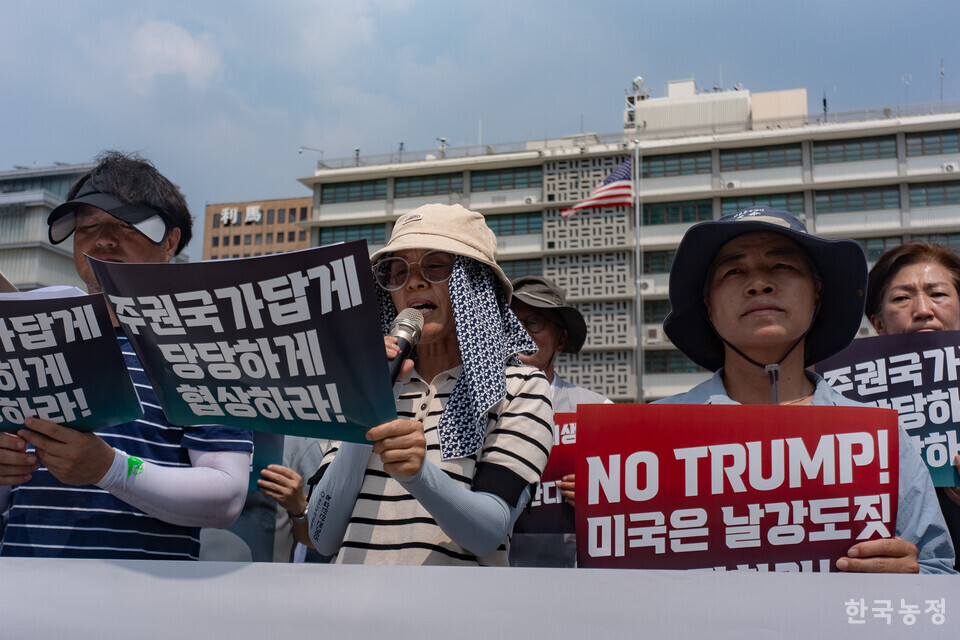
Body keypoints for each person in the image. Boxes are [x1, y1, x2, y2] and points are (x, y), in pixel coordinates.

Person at [655, 206, 954, 574]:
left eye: (782, 266)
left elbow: (939, 568)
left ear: (817, 295)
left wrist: (912, 574)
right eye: (733, 271)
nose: (759, 284)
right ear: (709, 307)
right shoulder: (651, 434)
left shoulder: (881, 433)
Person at [0, 151, 253, 560]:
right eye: (88, 226)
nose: (103, 239)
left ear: (170, 242)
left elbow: (226, 496)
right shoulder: (25, 339)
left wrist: (111, 468)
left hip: (145, 596)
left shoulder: (206, 348)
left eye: (125, 225)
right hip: (20, 585)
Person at [306, 203, 554, 565]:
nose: (414, 282)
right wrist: (372, 402)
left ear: (476, 283)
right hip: (351, 601)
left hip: (452, 603)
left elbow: (489, 532)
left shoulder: (520, 388)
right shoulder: (365, 382)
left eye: (435, 266)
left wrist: (419, 475)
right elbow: (321, 535)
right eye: (398, 271)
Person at [866, 240, 960, 570]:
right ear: (879, 324)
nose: (922, 309)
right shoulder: (848, 405)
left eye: (938, 294)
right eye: (901, 298)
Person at [508, 275, 612, 567]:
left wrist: (602, 494)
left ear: (561, 340)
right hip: (487, 574)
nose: (519, 332)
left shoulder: (598, 412)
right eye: (510, 322)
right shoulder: (471, 407)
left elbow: (627, 504)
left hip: (569, 574)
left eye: (533, 322)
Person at [200, 434, 327, 562]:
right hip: (193, 570)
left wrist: (300, 508)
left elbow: (318, 543)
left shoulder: (299, 441)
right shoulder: (196, 433)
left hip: (267, 573)